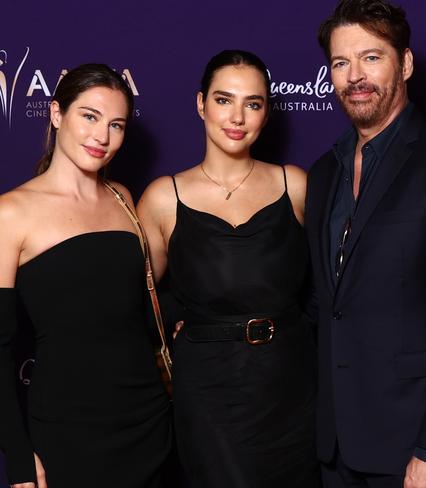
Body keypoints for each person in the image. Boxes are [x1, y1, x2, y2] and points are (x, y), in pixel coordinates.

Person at [305, 1, 426, 487]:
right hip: (335, 446)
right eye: (341, 63)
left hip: (412, 447)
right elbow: (326, 301)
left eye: (371, 58)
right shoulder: (325, 171)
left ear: (405, 64)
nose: (354, 76)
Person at [137, 50, 320, 487]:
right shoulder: (164, 197)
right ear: (201, 104)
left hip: (290, 386)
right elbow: (142, 301)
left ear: (266, 112)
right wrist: (179, 323)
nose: (237, 116)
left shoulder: (295, 184)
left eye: (253, 104)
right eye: (224, 100)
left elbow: (330, 286)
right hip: (208, 391)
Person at [0, 64, 171, 488]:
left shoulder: (123, 198)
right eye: (89, 117)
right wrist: (18, 454)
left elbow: (127, 309)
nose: (102, 137)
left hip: (148, 423)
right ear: (56, 114)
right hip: (66, 432)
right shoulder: (10, 214)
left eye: (116, 124)